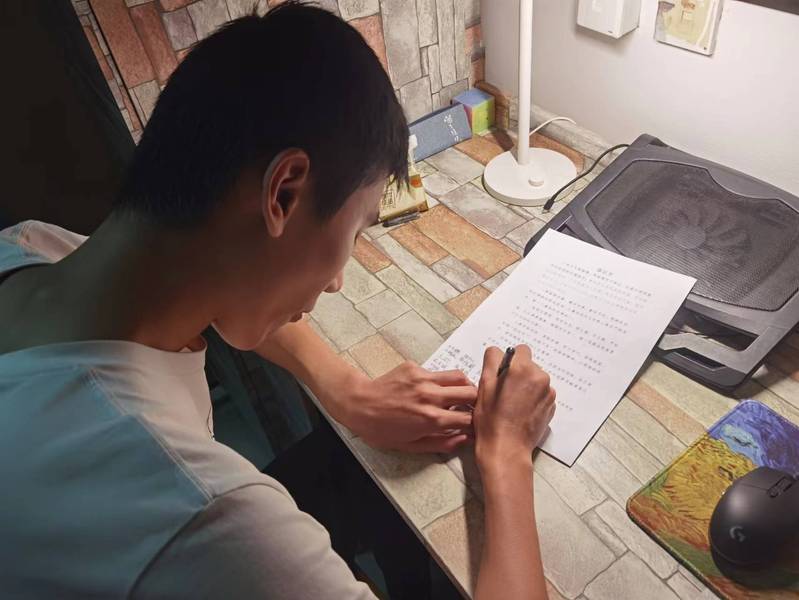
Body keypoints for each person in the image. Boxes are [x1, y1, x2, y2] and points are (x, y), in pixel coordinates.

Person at [0, 3, 556, 599]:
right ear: (284, 193)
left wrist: (346, 389)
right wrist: (507, 454)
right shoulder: (200, 511)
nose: (337, 281)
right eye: (356, 231)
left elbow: (222, 276)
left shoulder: (34, 250)